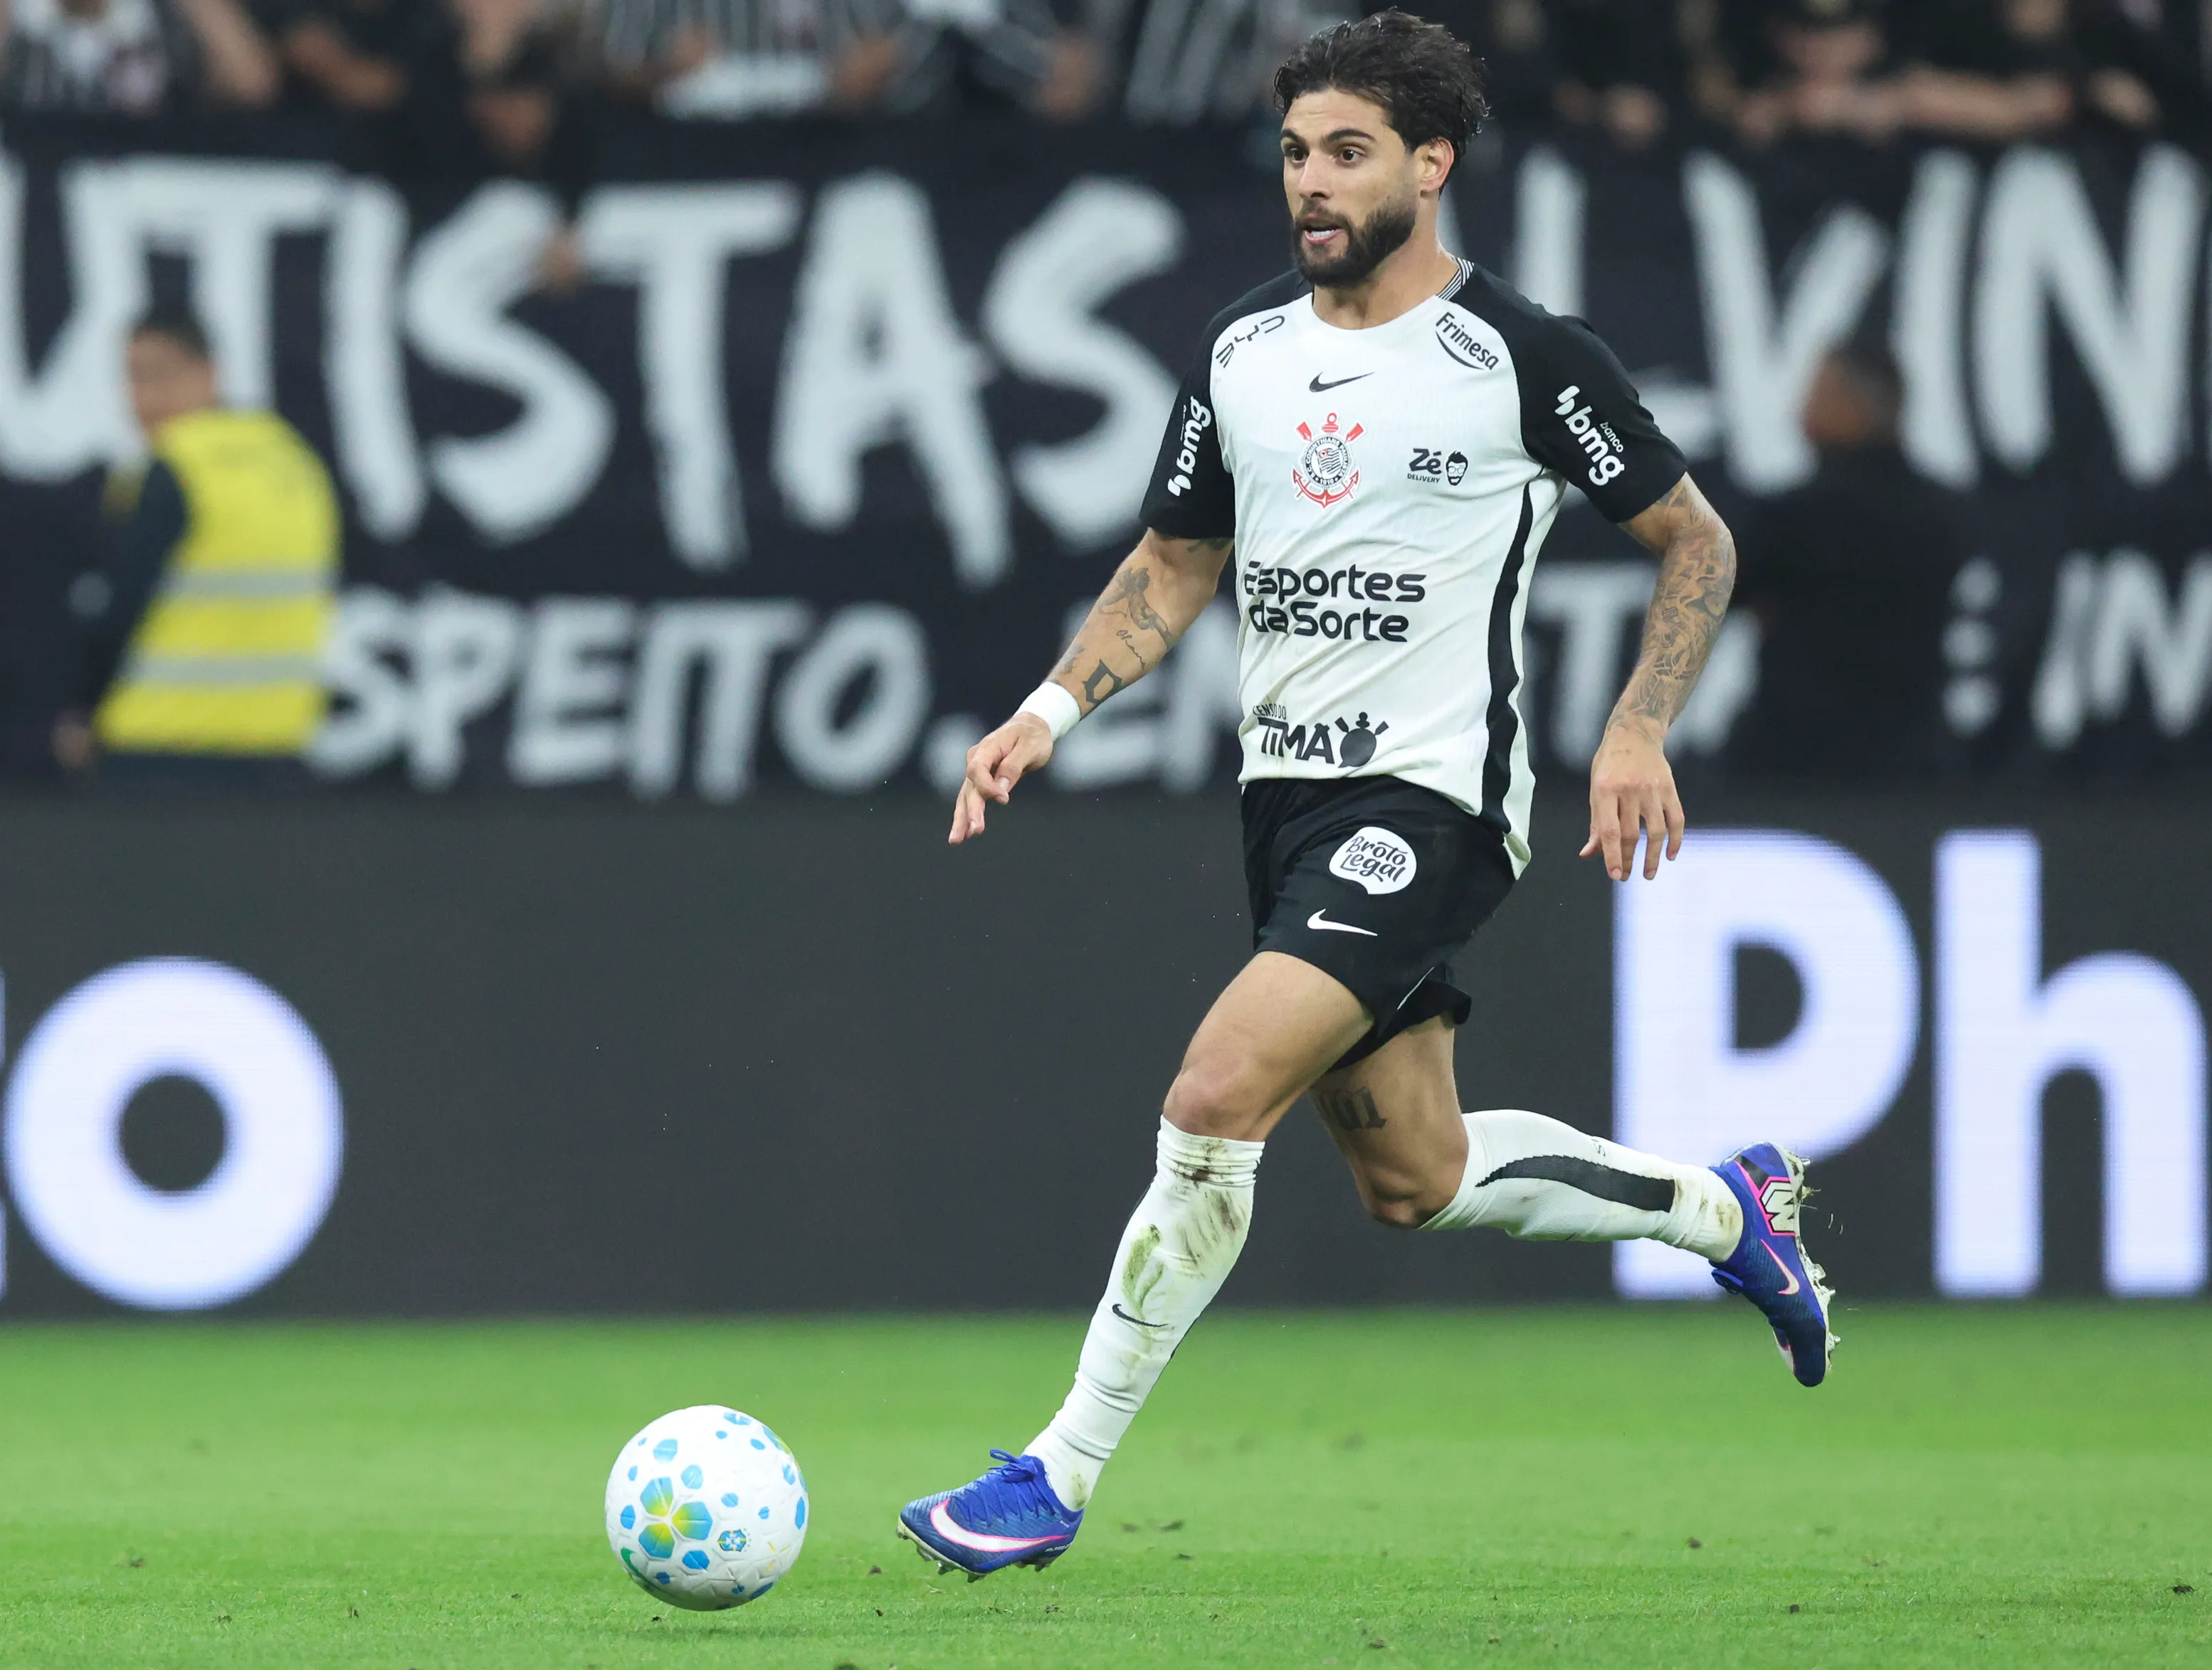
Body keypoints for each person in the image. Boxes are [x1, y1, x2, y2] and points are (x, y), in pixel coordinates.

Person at [895, 9, 1831, 1580]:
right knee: (1419, 1178)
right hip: (1288, 809)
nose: (1311, 185)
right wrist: (1054, 704)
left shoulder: (1520, 357)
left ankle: (1053, 1474)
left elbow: (1700, 541)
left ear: (1430, 164)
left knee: (1213, 1095)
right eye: (1293, 154)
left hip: (1436, 801)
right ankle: (1720, 1209)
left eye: (1346, 153)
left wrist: (1635, 728)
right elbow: (1175, 563)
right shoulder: (1245, 353)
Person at [56, 309, 339, 781]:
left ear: (209, 371)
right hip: (278, 755)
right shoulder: (295, 462)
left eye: (159, 374)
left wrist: (82, 709)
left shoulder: (177, 469)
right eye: (132, 378)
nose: (143, 398)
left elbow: (122, 607)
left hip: (160, 749)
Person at [1729, 342, 1961, 778]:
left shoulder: (1791, 519)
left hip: (1797, 760)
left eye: (1817, 393)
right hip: (1914, 761)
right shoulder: (1945, 516)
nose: (1801, 410)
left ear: (1856, 407)